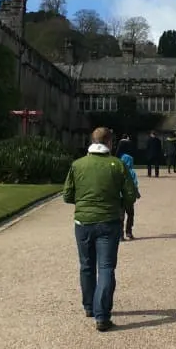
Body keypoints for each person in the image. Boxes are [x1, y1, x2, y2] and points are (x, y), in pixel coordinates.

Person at [63, 127, 138, 332]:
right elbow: (131, 195)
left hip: (83, 223)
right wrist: (116, 202)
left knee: (86, 265)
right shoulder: (118, 165)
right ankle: (102, 315)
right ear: (110, 143)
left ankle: (89, 306)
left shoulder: (78, 164)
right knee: (106, 268)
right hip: (109, 222)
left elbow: (67, 196)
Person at [119, 152, 141, 240]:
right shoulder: (132, 172)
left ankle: (120, 234)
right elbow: (134, 184)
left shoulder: (118, 170)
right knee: (130, 214)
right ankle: (129, 232)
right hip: (128, 197)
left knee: (120, 216)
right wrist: (137, 193)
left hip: (120, 196)